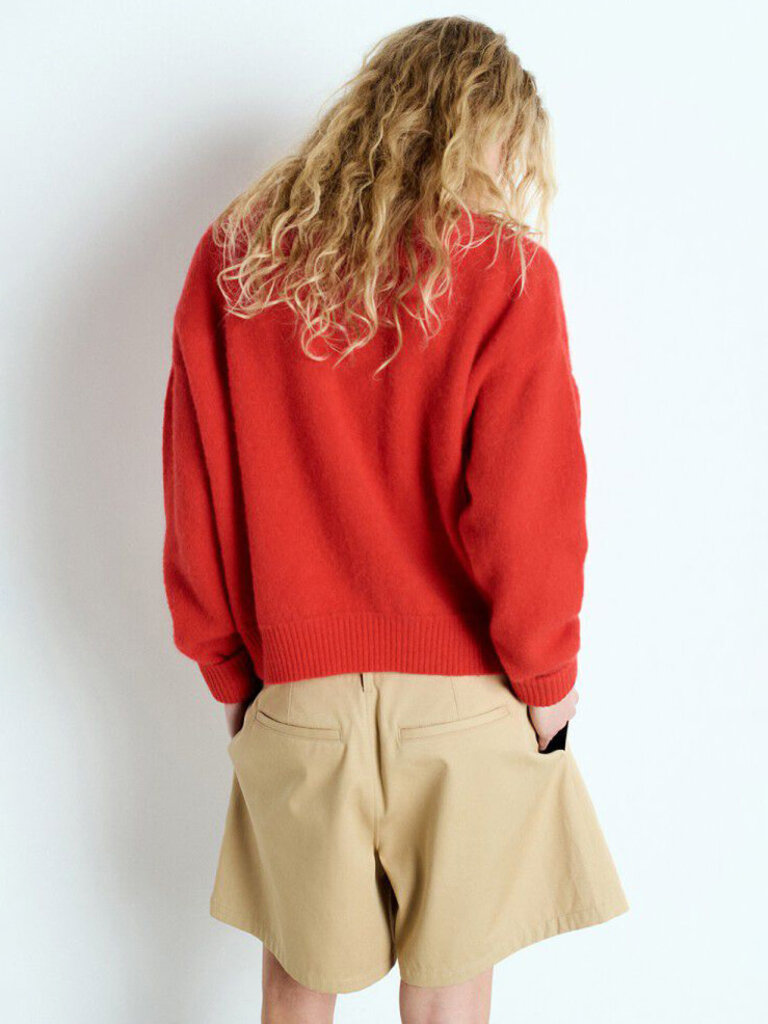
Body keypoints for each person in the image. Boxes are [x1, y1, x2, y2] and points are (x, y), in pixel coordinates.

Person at [162, 16, 628, 1023]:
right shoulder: (506, 272)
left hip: (299, 696)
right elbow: (531, 509)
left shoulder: (237, 260)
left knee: (297, 989)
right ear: (488, 134)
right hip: (467, 705)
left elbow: (195, 493)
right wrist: (547, 685)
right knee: (450, 999)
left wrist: (232, 672)